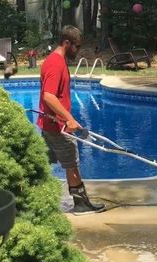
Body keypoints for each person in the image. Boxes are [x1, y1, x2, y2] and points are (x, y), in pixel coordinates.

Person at [37, 25, 105, 214]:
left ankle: (30, 198)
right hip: (57, 125)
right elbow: (48, 96)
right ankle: (81, 204)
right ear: (66, 43)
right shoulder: (55, 64)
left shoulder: (56, 61)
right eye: (76, 46)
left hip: (51, 124)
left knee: (42, 162)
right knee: (71, 163)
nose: (77, 50)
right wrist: (69, 119)